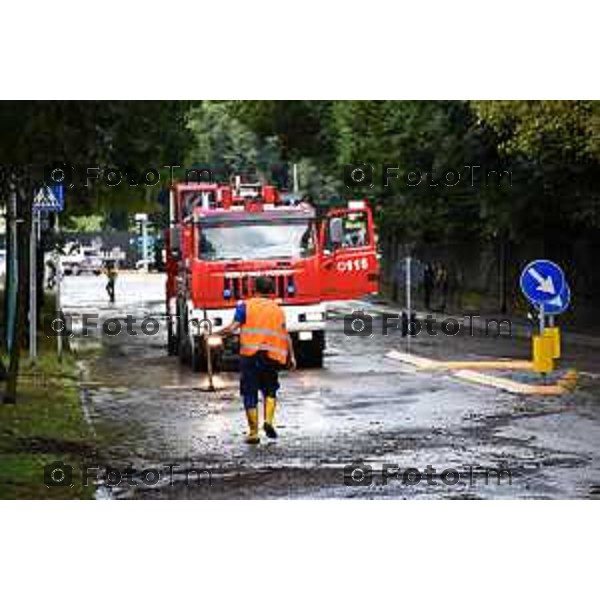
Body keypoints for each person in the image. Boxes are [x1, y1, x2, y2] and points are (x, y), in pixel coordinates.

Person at [219, 276, 296, 444]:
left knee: (249, 392)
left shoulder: (245, 306)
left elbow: (233, 328)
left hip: (250, 355)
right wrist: (292, 356)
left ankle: (253, 433)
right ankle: (268, 421)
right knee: (270, 389)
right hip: (272, 356)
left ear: (254, 289)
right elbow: (285, 334)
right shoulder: (277, 309)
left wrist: (216, 334)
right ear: (271, 291)